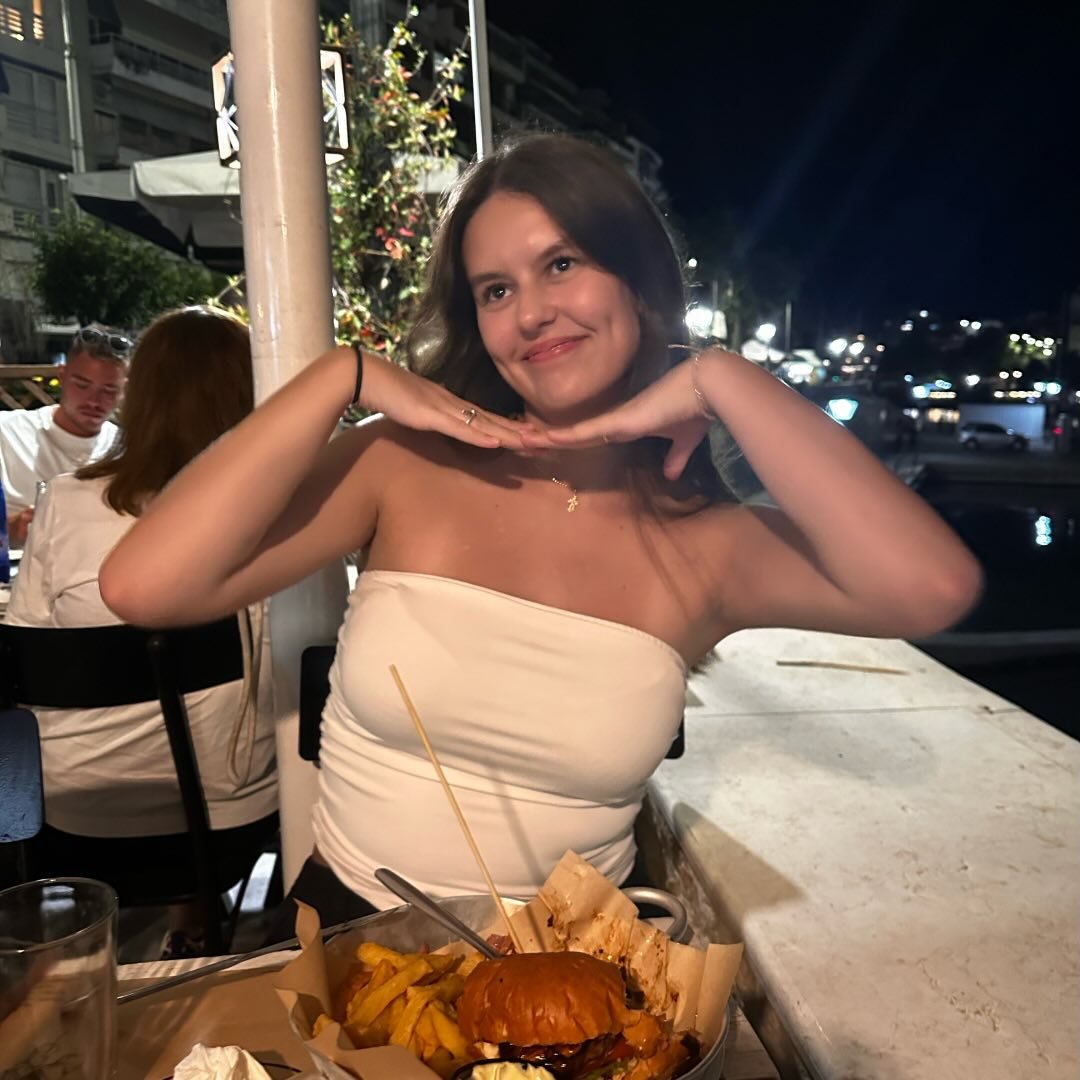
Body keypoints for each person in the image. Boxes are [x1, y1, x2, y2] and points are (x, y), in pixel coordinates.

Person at [99, 134, 982, 934]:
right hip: (348, 945)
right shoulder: (403, 464)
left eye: (561, 264)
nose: (529, 314)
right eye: (497, 290)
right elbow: (143, 585)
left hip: (576, 982)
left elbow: (931, 588)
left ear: (637, 281)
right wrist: (343, 376)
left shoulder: (710, 544)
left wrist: (722, 379)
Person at [7, 306, 278, 958]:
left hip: (76, 823)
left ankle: (54, 954)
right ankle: (195, 924)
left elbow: (23, 644)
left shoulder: (64, 500)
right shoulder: (280, 509)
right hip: (230, 826)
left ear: (138, 393)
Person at [0, 325, 129, 547]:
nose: (93, 401)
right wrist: (9, 531)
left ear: (124, 390)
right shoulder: (7, 431)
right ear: (62, 376)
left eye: (109, 390)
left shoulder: (128, 449)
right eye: (82, 385)